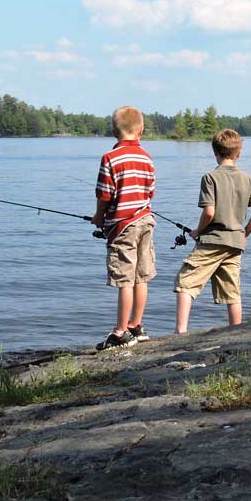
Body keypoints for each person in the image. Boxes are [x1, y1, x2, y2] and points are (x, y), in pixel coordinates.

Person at [174, 128, 251, 333]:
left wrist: (197, 231)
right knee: (232, 291)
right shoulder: (247, 179)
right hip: (235, 243)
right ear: (238, 153)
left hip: (212, 241)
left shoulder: (210, 177)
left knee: (185, 282)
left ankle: (180, 332)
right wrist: (244, 234)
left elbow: (209, 212)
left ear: (215, 152)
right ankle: (236, 332)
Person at [91, 106, 156, 350]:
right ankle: (136, 326)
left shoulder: (110, 158)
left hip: (122, 226)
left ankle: (120, 332)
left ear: (113, 131)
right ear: (141, 130)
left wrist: (99, 217)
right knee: (142, 276)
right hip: (146, 221)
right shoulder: (147, 157)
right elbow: (150, 192)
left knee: (125, 279)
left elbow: (105, 194)